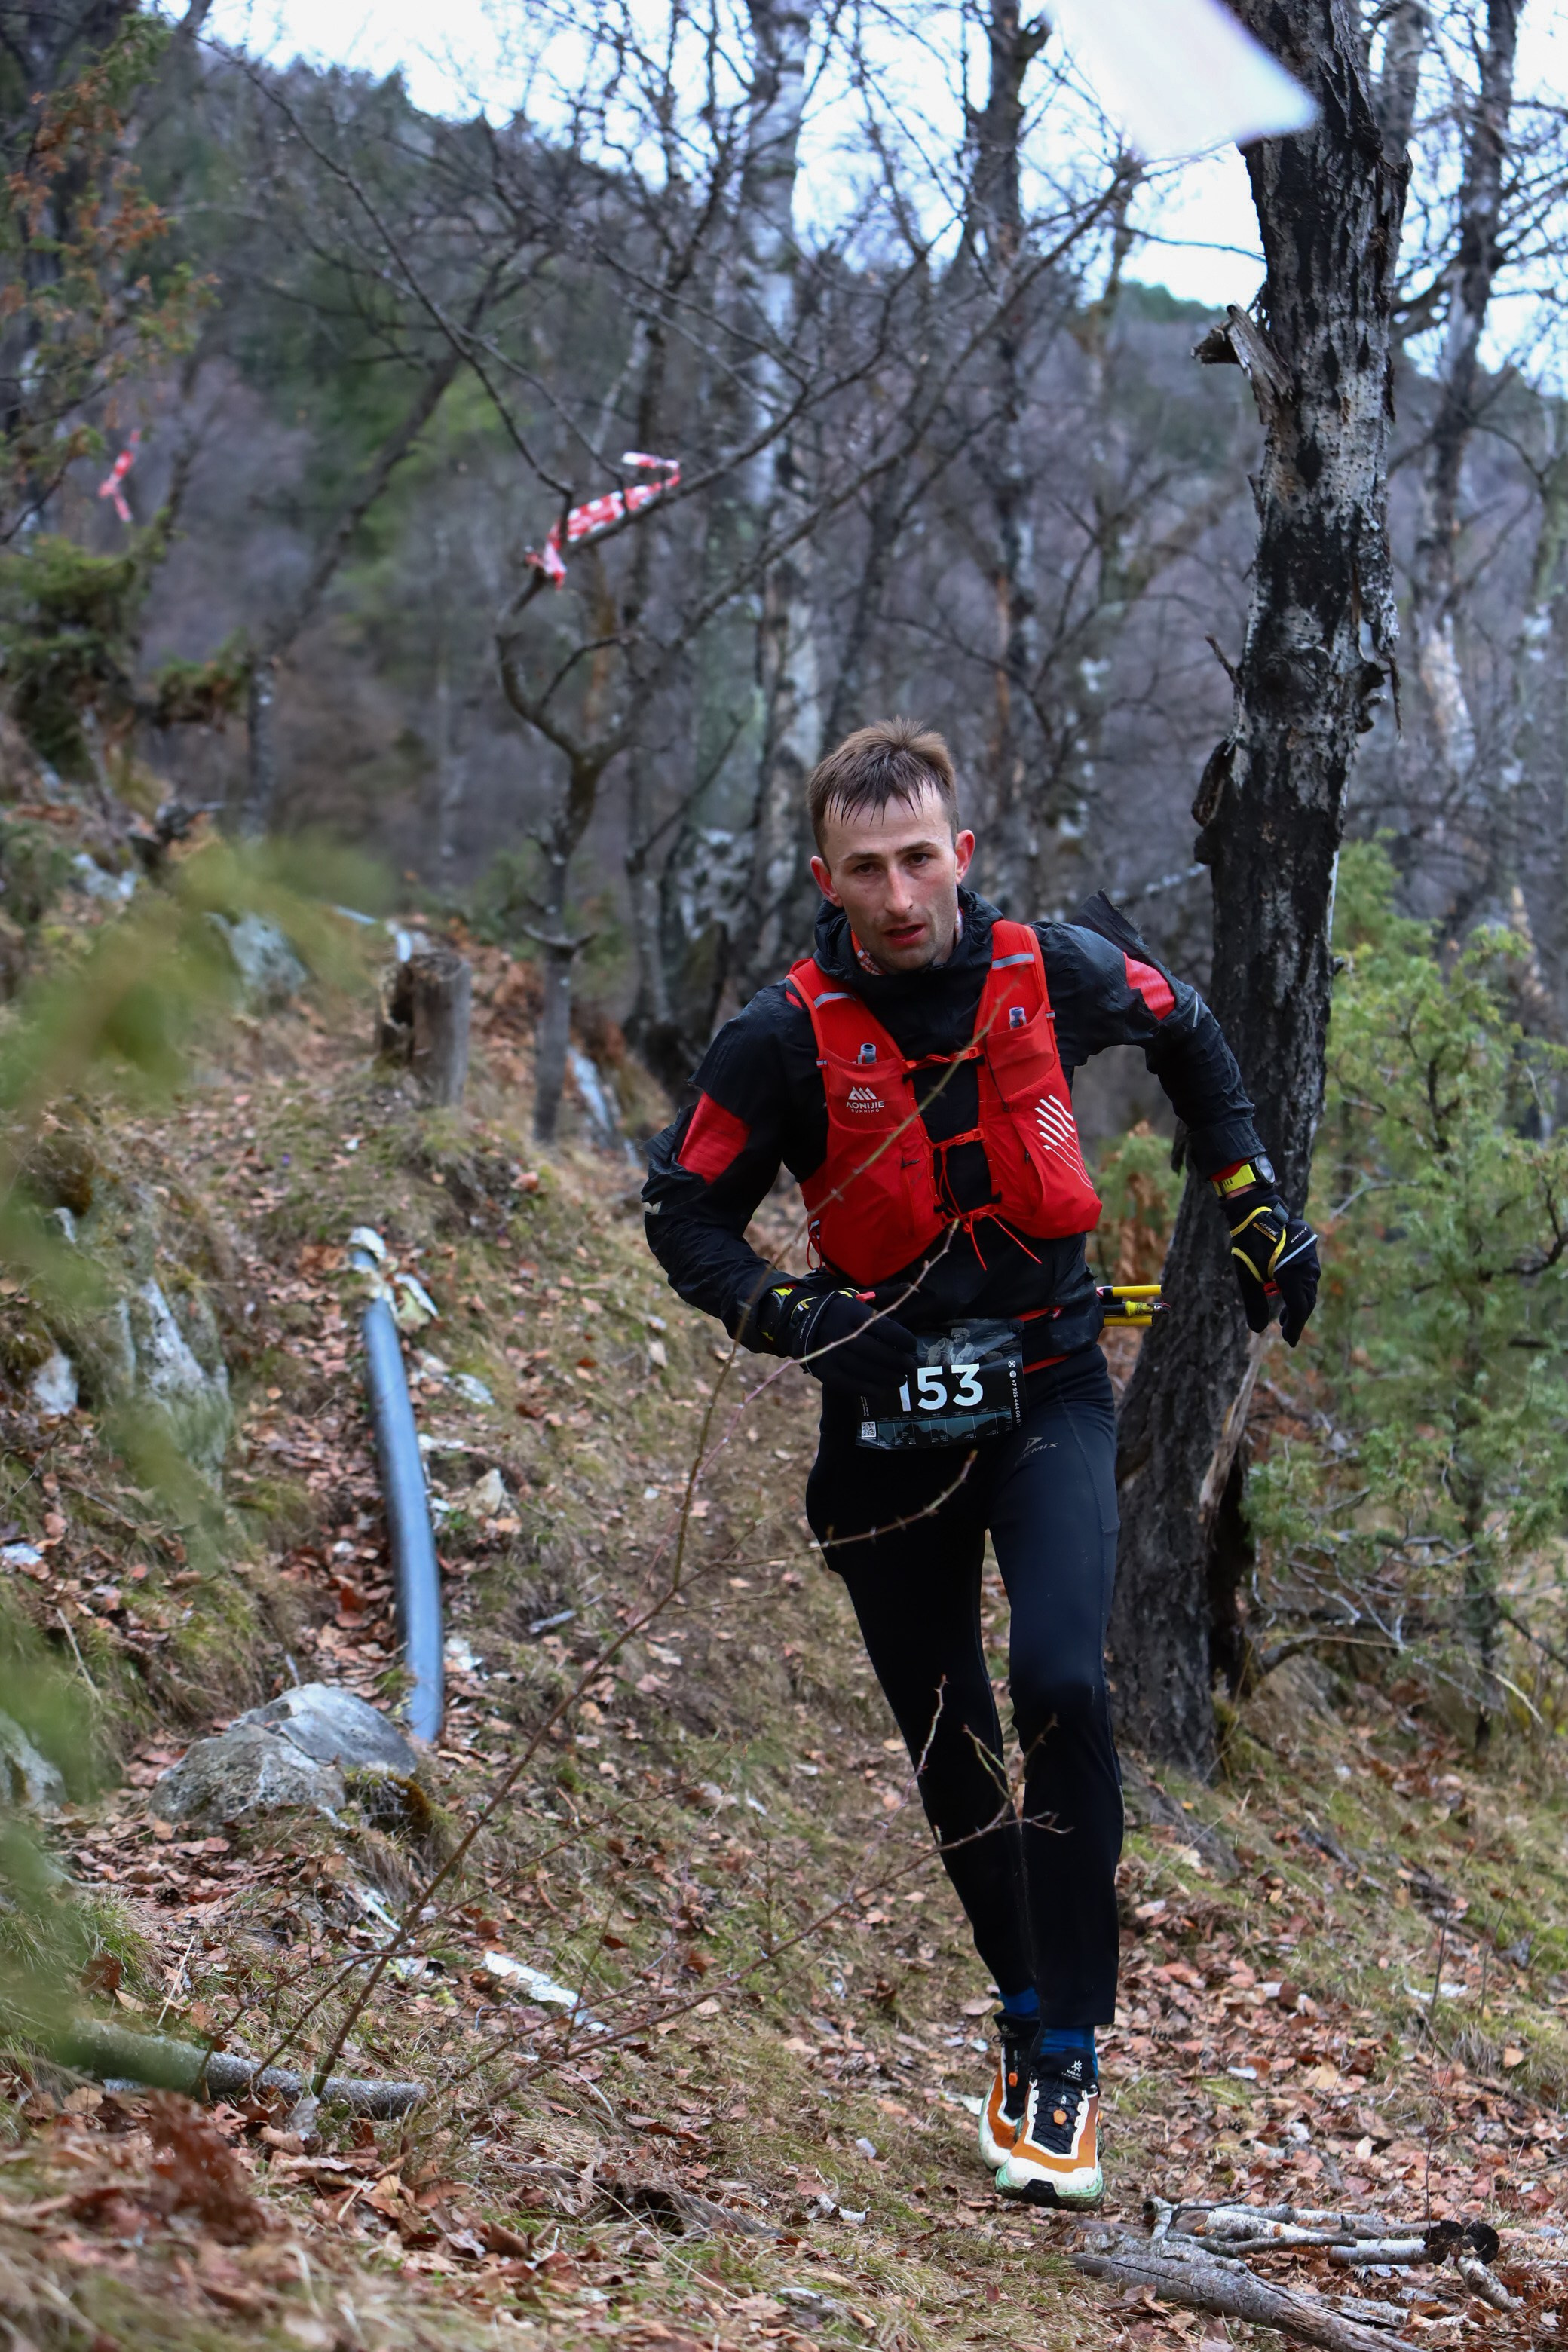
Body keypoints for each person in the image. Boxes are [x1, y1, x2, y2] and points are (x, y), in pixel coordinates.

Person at [641, 719, 1318, 2208]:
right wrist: (791, 1315)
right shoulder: (778, 1035)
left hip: (1048, 1388)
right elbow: (680, 1212)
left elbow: (1192, 1034)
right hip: (881, 1422)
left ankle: (1069, 2053)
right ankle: (1020, 2011)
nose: (897, 893)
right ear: (825, 873)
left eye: (918, 858)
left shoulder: (1053, 968)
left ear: (960, 850)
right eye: (864, 868)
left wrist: (1253, 1198)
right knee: (950, 1739)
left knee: (1064, 1685)